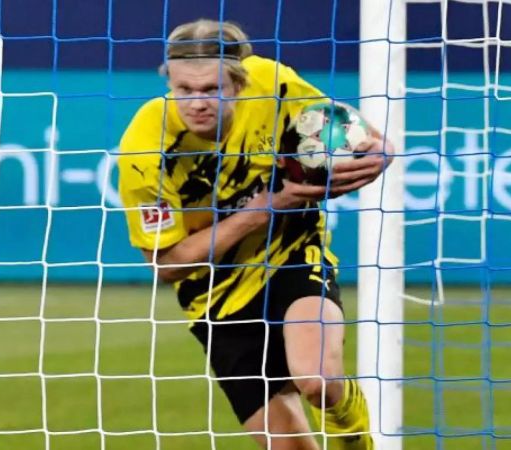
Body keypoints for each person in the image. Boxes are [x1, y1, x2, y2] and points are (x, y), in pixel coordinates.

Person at [117, 19, 393, 450]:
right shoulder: (145, 150)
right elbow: (168, 265)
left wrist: (381, 153)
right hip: (215, 295)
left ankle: (351, 431)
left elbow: (360, 135)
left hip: (290, 250)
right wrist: (262, 208)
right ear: (168, 80)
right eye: (184, 90)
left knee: (317, 381)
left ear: (240, 81)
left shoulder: (274, 83)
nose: (196, 103)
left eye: (211, 89)